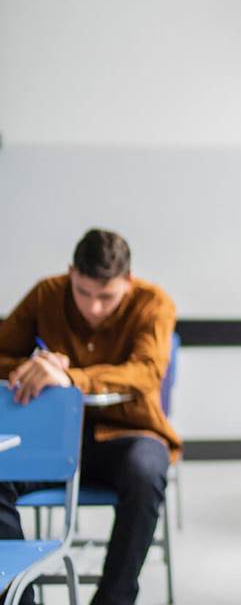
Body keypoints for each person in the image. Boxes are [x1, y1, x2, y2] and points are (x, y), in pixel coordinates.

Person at [0, 228, 180, 605]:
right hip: (56, 436)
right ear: (70, 274)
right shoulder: (46, 294)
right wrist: (35, 366)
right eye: (83, 292)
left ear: (128, 282)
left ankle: (113, 600)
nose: (94, 307)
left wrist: (70, 379)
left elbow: (146, 372)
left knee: (147, 471)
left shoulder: (154, 304)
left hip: (129, 435)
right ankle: (16, 597)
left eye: (107, 296)